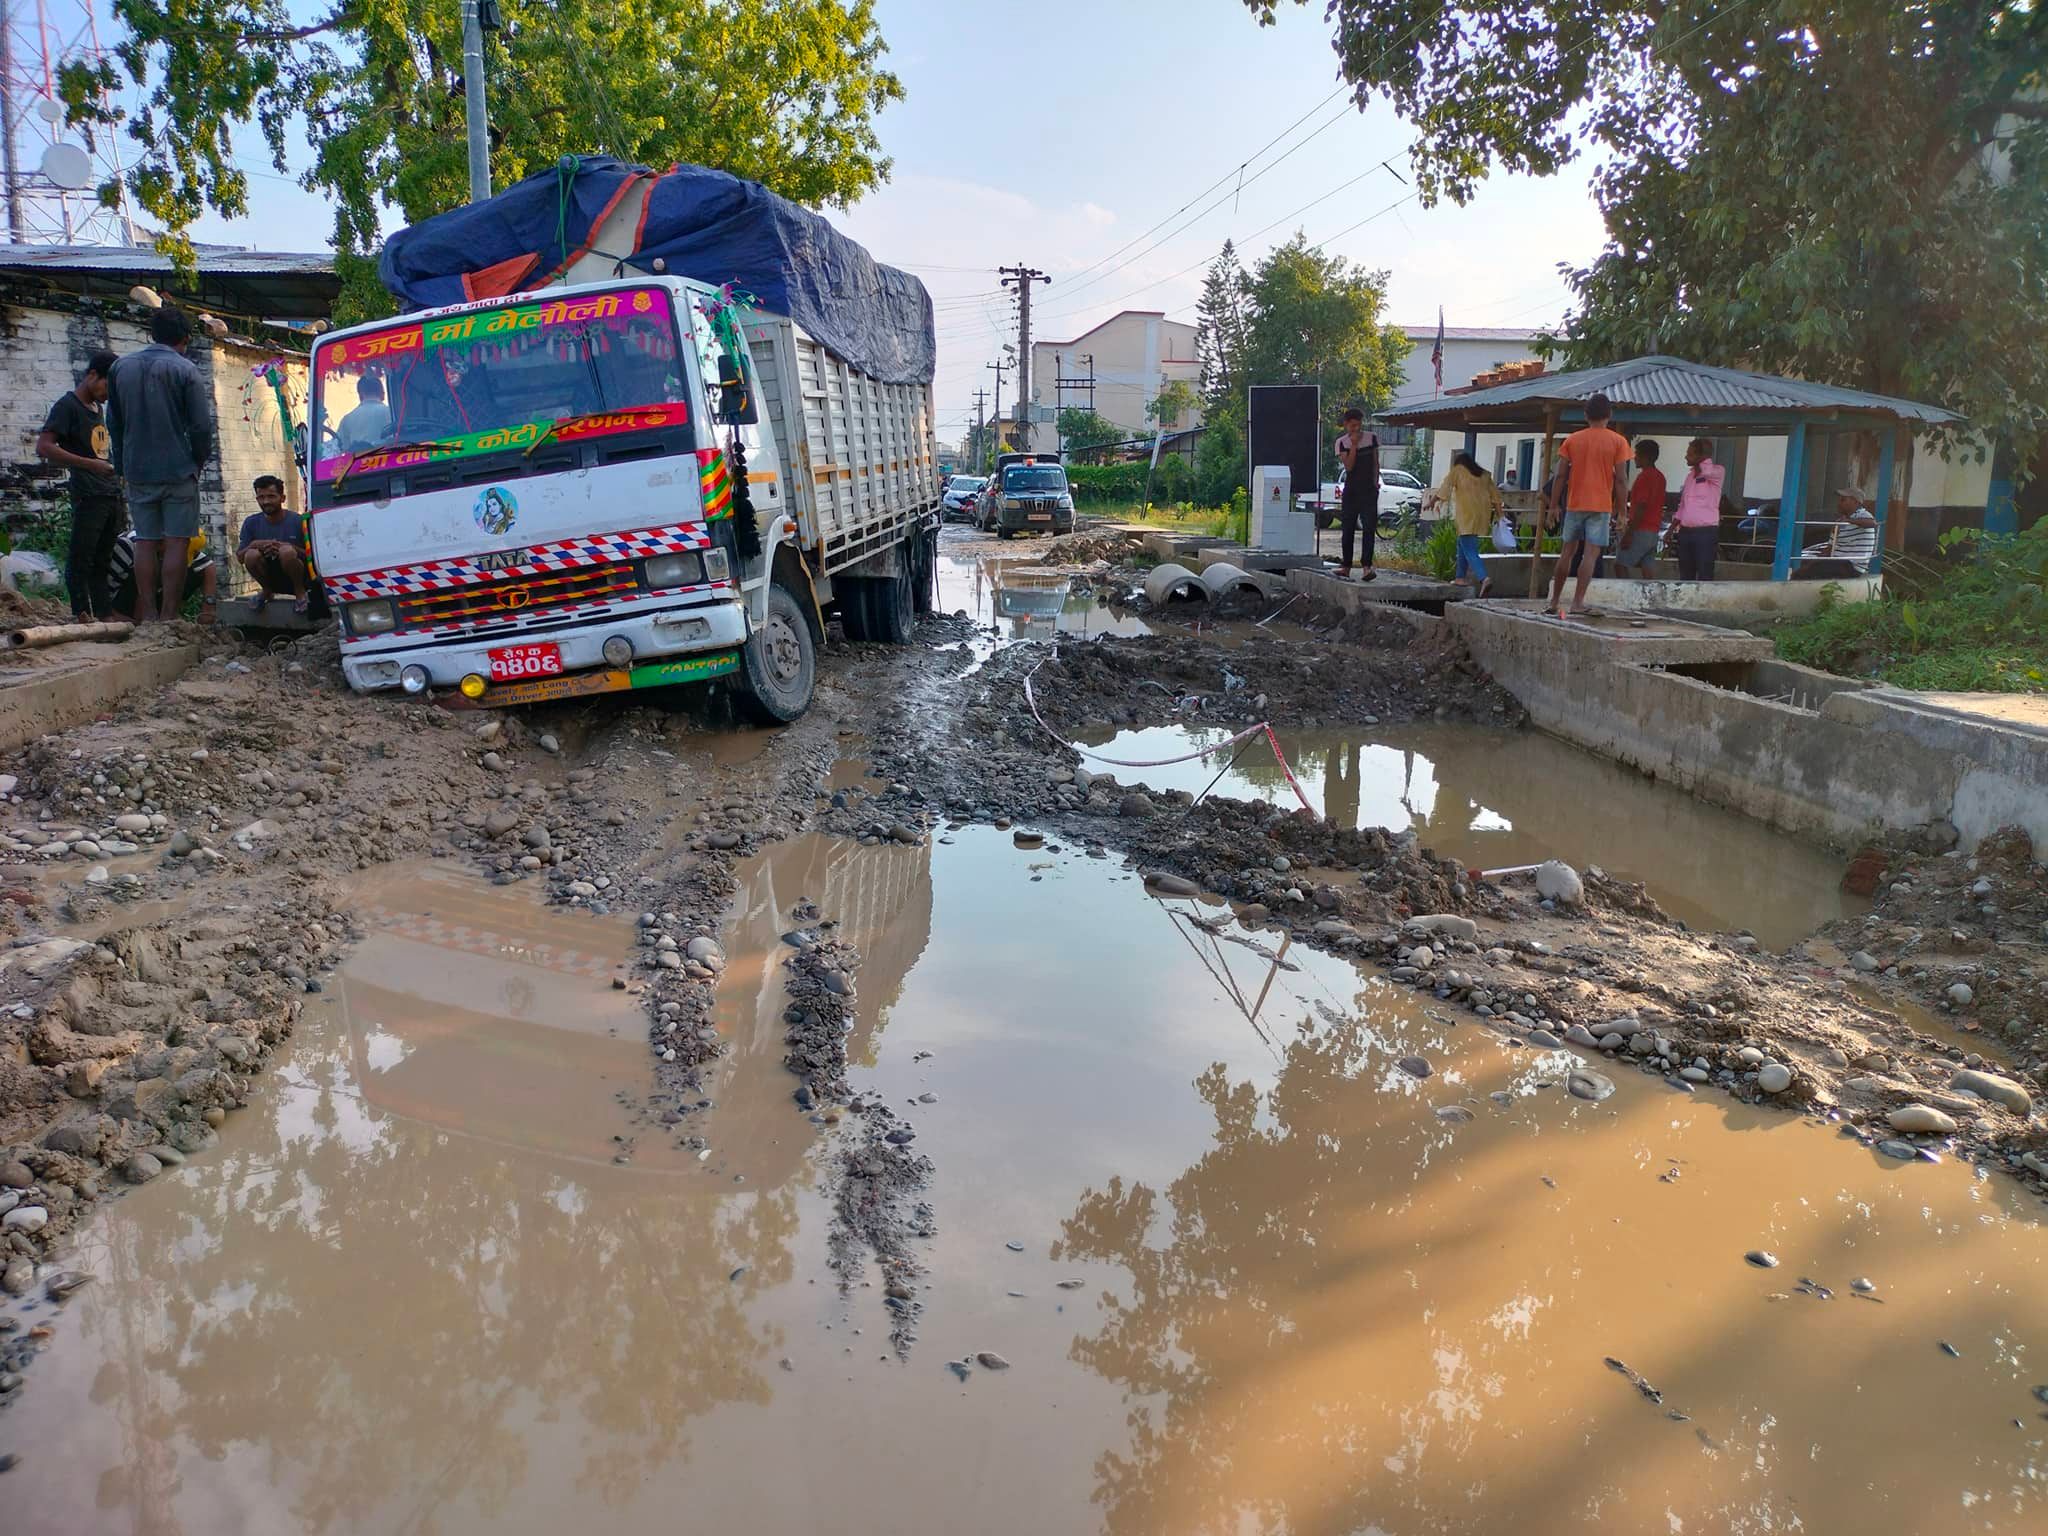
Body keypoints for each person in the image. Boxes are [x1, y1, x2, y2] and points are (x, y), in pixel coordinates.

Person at [106, 307, 213, 623]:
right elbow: (200, 428)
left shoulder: (120, 368)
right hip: (178, 469)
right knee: (178, 541)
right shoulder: (186, 370)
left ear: (152, 334)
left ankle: (149, 615)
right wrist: (198, 461)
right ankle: (169, 616)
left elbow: (114, 423)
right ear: (185, 338)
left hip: (138, 470)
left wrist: (122, 465)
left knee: (145, 541)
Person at [36, 350, 123, 619]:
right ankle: (81, 614)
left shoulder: (98, 408)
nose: (108, 394)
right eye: (108, 386)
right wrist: (90, 465)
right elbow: (44, 447)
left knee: (102, 561)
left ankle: (104, 617)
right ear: (92, 375)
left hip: (110, 494)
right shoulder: (67, 406)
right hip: (88, 494)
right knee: (81, 560)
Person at [1545, 392, 1631, 618]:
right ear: (1609, 415)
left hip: (1574, 503)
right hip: (1601, 506)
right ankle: (1577, 602)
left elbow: (1560, 476)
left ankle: (1554, 601)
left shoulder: (1572, 440)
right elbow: (1621, 480)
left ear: (1585, 415)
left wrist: (1553, 505)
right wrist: (1622, 512)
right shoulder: (1618, 442)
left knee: (1567, 553)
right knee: (1590, 555)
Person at [1426, 450, 1503, 597]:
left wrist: (1432, 502)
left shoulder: (1458, 471)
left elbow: (1445, 488)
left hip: (1466, 515)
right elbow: (1496, 497)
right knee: (1462, 545)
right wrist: (1501, 515)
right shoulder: (1485, 475)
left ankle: (1484, 578)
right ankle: (1460, 578)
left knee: (1470, 549)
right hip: (1481, 516)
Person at [237, 475, 311, 613]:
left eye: (271, 496)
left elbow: (311, 556)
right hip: (269, 575)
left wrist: (284, 547)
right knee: (251, 555)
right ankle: (266, 591)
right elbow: (240, 557)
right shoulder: (251, 523)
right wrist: (255, 544)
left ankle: (300, 593)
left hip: (297, 575)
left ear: (282, 498)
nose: (266, 501)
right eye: (261, 497)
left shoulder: (298, 520)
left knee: (287, 552)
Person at [108, 529, 216, 622]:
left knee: (181, 574)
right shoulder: (127, 546)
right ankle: (143, 619)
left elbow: (207, 566)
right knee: (146, 571)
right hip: (114, 600)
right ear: (161, 542)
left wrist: (208, 607)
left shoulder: (181, 543)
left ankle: (168, 615)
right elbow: (97, 590)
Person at [1334, 407, 1379, 582]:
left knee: (1369, 528)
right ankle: (1346, 566)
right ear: (1346, 424)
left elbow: (1375, 462)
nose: (1356, 428)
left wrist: (1375, 483)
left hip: (1369, 490)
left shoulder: (1372, 438)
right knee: (1348, 528)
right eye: (1353, 425)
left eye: (1359, 425)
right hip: (1351, 490)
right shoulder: (1342, 442)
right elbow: (1349, 466)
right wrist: (1353, 444)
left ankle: (1367, 567)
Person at [1612, 438, 1667, 581]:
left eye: (1637, 454)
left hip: (1640, 529)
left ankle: (1627, 596)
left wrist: (1629, 533)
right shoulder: (1660, 477)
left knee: (1620, 564)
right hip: (1654, 530)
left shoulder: (1644, 477)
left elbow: (1642, 506)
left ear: (1646, 457)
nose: (1634, 457)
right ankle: (1649, 599)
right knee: (1647, 567)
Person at [1672, 438, 1727, 581]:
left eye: (1689, 454)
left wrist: (1704, 457)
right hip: (1685, 532)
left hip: (1705, 533)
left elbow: (1707, 471)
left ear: (1701, 456)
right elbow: (1682, 506)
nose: (1685, 457)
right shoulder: (1690, 476)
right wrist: (1671, 529)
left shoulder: (1717, 471)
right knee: (1685, 573)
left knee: (1705, 572)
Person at [1794, 490, 1880, 579]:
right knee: (1802, 566)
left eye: (1843, 500)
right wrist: (1810, 564)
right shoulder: (1839, 522)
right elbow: (1830, 548)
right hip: (1837, 561)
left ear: (1855, 502)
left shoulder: (1862, 514)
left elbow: (1872, 523)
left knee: (1810, 572)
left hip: (1851, 565)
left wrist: (1848, 521)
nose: (1839, 504)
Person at [335, 372, 392, 452]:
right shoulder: (392, 414)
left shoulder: (347, 419)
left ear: (360, 395)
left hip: (358, 463)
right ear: (383, 394)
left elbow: (337, 449)